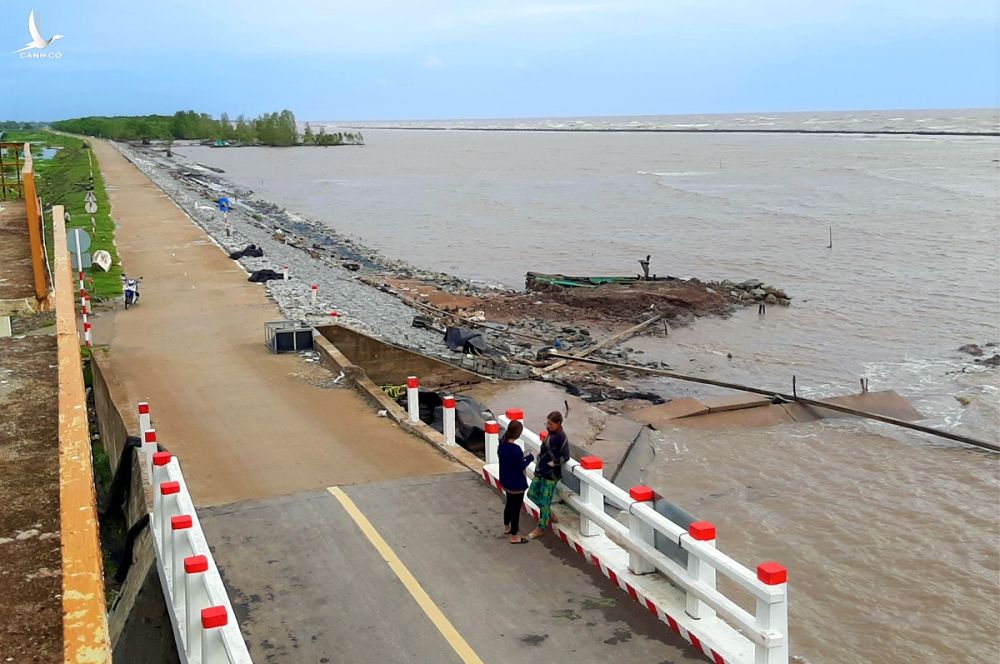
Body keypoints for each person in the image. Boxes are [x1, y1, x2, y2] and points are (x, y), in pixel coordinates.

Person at [527, 411, 571, 539]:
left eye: (551, 424)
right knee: (531, 494)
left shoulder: (561, 437)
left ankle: (541, 527)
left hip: (551, 475)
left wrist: (555, 462)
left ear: (558, 424)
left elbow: (566, 456)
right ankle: (549, 514)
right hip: (541, 470)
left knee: (545, 501)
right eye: (547, 423)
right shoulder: (550, 435)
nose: (548, 426)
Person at [498, 420, 534, 544]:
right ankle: (514, 535)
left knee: (509, 504)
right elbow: (521, 466)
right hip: (516, 484)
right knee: (516, 508)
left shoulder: (501, 445)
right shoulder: (516, 450)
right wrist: (529, 457)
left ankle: (506, 527)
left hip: (506, 481)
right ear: (518, 435)